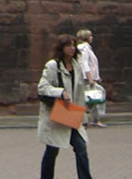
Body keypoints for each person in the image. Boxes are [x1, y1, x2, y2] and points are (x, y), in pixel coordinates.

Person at [37, 34, 93, 179]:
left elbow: (79, 95)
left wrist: (83, 118)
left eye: (73, 45)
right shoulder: (53, 65)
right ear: (61, 48)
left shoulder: (77, 66)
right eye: (68, 45)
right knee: (52, 151)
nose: (72, 48)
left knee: (81, 147)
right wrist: (60, 92)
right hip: (56, 115)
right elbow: (42, 87)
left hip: (71, 114)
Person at [74, 29, 104, 128]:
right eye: (90, 36)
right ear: (86, 37)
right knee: (89, 99)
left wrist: (97, 77)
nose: (92, 37)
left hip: (91, 77)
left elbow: (93, 64)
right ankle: (83, 119)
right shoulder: (84, 48)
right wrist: (90, 78)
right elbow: (85, 64)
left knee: (93, 98)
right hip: (86, 78)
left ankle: (95, 119)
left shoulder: (87, 48)